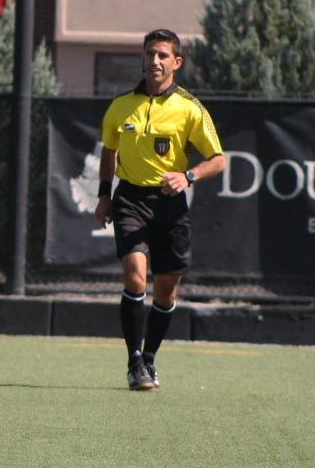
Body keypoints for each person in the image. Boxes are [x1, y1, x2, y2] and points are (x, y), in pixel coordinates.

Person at [94, 28, 225, 391]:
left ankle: (150, 359)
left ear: (176, 62)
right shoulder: (121, 106)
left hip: (170, 206)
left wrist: (189, 175)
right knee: (135, 276)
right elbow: (109, 151)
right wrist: (105, 195)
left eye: (163, 55)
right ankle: (134, 361)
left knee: (166, 292)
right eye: (150, 54)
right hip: (130, 199)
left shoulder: (189, 109)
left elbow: (218, 160)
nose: (154, 61)